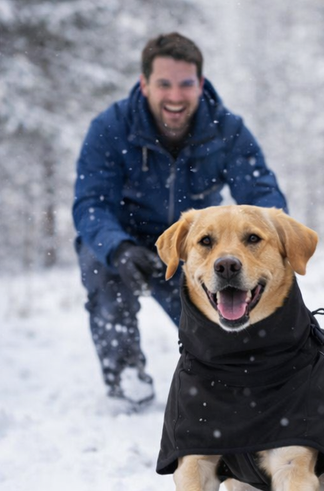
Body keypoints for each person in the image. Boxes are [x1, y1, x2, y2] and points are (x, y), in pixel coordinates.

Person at [72, 32, 287, 407]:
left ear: (200, 83)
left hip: (194, 248)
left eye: (186, 84)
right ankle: (125, 373)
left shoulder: (227, 130)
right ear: (144, 84)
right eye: (164, 84)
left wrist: (273, 242)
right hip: (127, 245)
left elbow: (262, 196)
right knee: (99, 264)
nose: (175, 96)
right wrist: (119, 248)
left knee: (226, 317)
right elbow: (91, 205)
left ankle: (236, 369)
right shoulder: (110, 128)